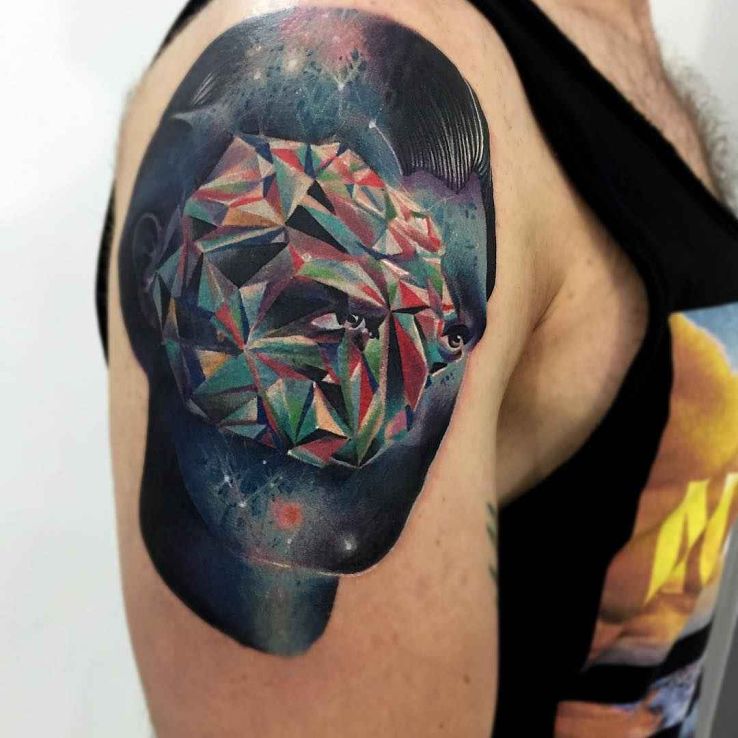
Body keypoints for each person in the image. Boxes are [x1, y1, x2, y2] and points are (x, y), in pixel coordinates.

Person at [97, 0, 738, 735]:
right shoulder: (399, 29)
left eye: (451, 328)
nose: (429, 354)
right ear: (154, 268)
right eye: (340, 297)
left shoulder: (611, 36)